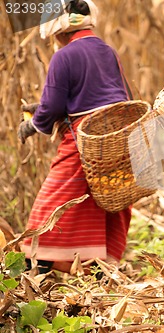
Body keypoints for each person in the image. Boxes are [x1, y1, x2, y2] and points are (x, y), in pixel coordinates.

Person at [17, 0, 133, 274]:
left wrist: (34, 124)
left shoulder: (63, 56)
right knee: (104, 199)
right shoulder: (108, 50)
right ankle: (99, 268)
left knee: (55, 199)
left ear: (60, 30)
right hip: (117, 137)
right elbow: (112, 94)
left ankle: (39, 262)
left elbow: (55, 105)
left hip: (84, 140)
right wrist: (45, 108)